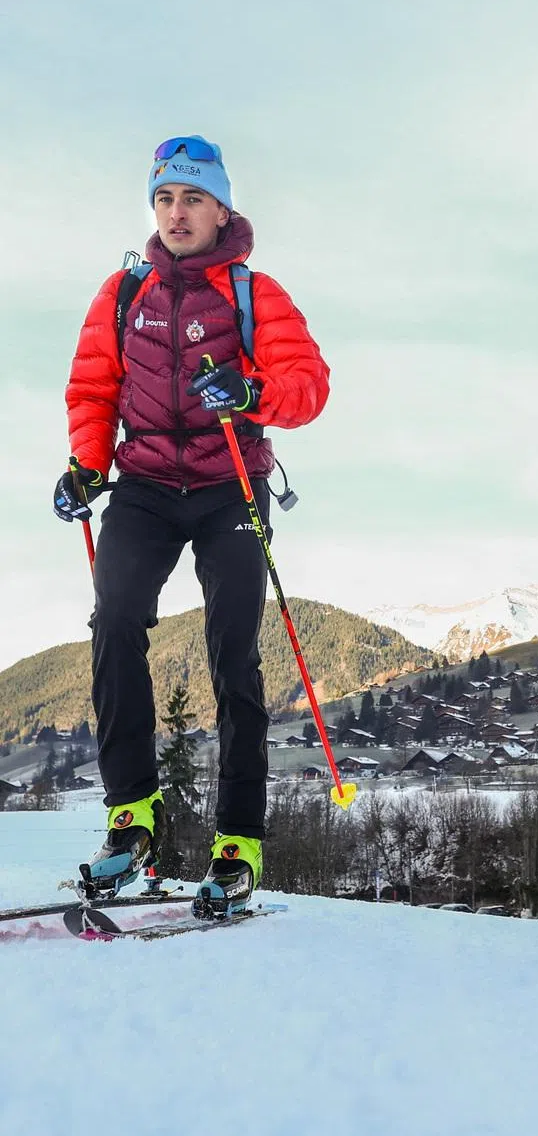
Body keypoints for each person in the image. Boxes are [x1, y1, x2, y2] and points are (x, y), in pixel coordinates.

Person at [53, 136, 330, 916]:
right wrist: (84, 465)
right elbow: (92, 387)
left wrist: (248, 391)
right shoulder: (123, 292)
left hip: (228, 483)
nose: (178, 213)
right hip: (141, 485)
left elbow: (308, 386)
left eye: (193, 199)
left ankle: (238, 842)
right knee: (114, 620)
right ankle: (131, 820)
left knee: (231, 649)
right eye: (166, 199)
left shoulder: (253, 292)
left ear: (221, 208)